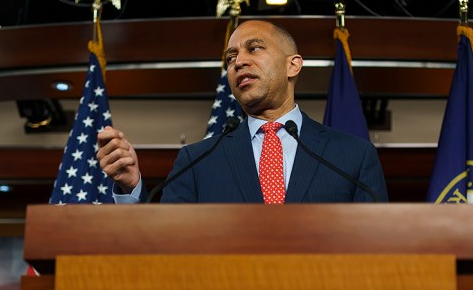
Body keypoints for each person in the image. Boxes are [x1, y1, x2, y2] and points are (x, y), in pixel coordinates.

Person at [96, 19, 388, 203]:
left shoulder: (353, 156)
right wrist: (131, 188)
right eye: (231, 57)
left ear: (293, 65)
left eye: (254, 48)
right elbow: (165, 245)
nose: (238, 62)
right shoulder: (195, 161)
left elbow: (377, 248)